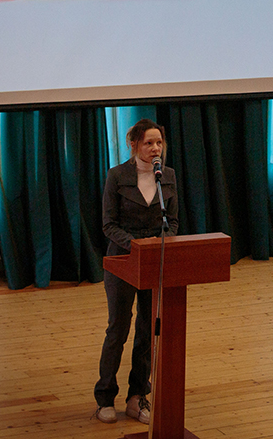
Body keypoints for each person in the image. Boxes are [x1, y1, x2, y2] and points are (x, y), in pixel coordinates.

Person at [94, 118, 179, 425]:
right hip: (123, 259)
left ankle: (137, 396)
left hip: (154, 262)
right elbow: (108, 224)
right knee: (118, 329)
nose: (155, 148)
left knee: (147, 329)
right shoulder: (117, 175)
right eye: (148, 143)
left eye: (159, 143)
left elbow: (173, 221)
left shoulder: (167, 176)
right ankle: (105, 398)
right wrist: (137, 245)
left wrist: (161, 243)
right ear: (133, 145)